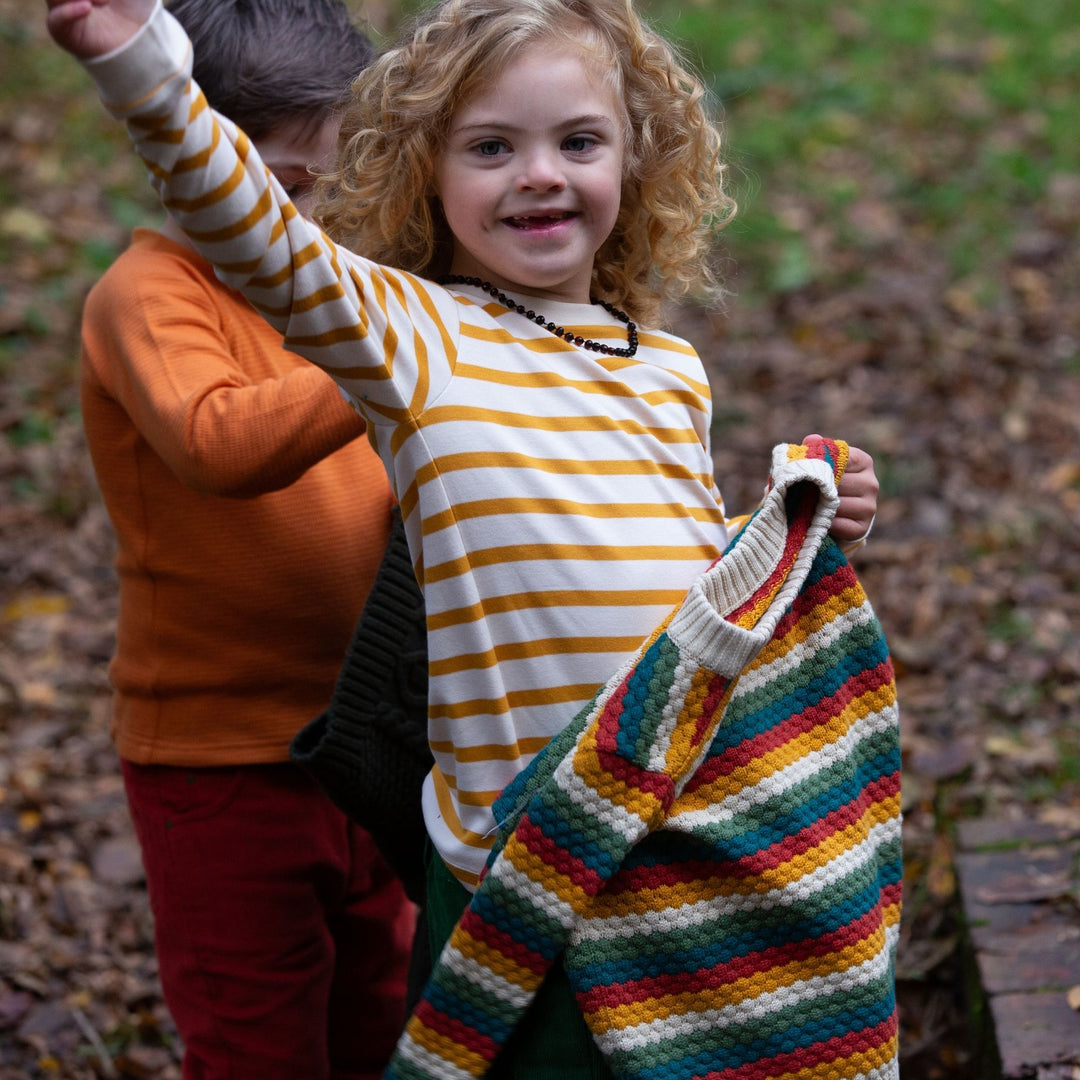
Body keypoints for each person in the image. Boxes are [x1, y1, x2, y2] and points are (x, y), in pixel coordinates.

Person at [44, 0, 887, 1075]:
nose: (539, 174)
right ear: (420, 173)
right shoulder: (408, 330)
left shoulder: (668, 370)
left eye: (578, 142)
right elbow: (248, 222)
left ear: (638, 159)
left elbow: (664, 578)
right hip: (514, 858)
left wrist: (786, 539)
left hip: (664, 834)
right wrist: (143, 68)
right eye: (491, 148)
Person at [68, 1, 415, 1076]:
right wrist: (392, 360)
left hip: (376, 740)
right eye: (281, 184)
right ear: (189, 160)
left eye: (338, 183)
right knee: (255, 1034)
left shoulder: (351, 285)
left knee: (386, 1009)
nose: (311, 218)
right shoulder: (147, 295)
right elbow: (215, 442)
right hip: (220, 761)